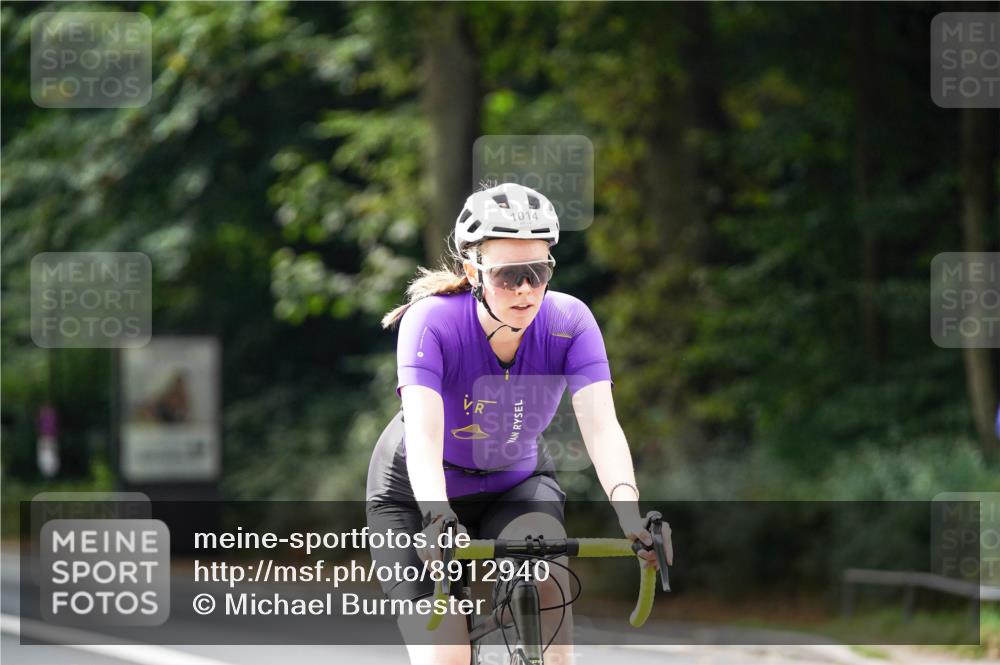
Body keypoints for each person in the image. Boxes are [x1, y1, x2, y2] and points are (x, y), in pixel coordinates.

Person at [366, 182, 668, 665]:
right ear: (474, 271)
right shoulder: (431, 321)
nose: (526, 289)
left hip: (516, 482)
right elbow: (423, 433)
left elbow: (602, 426)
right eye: (509, 276)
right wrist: (436, 514)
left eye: (538, 272)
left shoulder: (571, 321)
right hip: (415, 491)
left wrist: (629, 514)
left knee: (546, 578)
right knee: (446, 657)